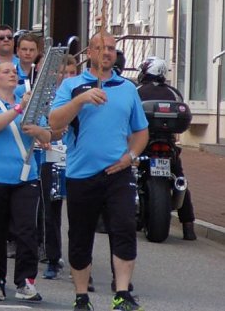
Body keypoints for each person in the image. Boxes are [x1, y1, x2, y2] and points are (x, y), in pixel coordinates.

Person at [49, 32, 149, 311]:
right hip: (82, 174)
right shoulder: (72, 85)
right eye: (101, 48)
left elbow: (141, 131)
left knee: (125, 228)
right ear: (89, 53)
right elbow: (55, 122)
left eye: (112, 48)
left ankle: (122, 293)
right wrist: (80, 100)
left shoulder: (127, 88)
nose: (107, 52)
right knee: (81, 236)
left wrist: (130, 157)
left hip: (118, 173)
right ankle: (82, 296)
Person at [0, 62, 51, 303]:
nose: (12, 74)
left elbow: (48, 136)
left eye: (14, 72)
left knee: (27, 230)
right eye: (6, 72)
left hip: (25, 177)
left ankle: (25, 282)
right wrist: (19, 108)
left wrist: (37, 129)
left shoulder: (30, 105)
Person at [135, 56, 196, 241]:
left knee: (127, 172)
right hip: (167, 144)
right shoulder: (174, 93)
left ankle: (118, 215)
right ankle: (188, 226)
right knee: (179, 176)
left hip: (144, 142)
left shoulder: (137, 91)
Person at [41, 54, 78, 280]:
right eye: (64, 73)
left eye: (72, 73)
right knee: (50, 212)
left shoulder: (82, 97)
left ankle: (80, 265)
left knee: (78, 215)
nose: (68, 77)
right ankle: (53, 259)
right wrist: (44, 136)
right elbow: (34, 125)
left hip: (75, 160)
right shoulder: (46, 99)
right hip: (51, 158)